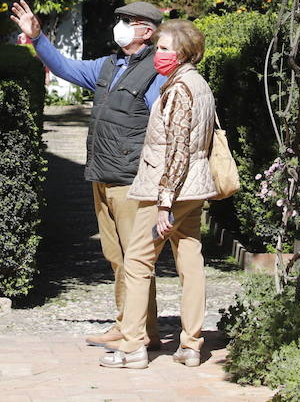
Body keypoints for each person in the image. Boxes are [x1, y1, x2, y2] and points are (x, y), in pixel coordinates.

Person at [9, 0, 165, 349]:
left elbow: (162, 127)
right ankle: (130, 322)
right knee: (116, 257)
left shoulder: (156, 71)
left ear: (147, 31)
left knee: (135, 258)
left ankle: (139, 330)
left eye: (130, 21)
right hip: (103, 173)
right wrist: (37, 39)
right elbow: (65, 67)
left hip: (132, 179)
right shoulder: (109, 66)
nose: (121, 25)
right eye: (120, 18)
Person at [98, 19, 217, 370]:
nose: (158, 55)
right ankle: (192, 345)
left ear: (181, 54)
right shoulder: (200, 85)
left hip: (167, 190)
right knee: (190, 262)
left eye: (164, 49)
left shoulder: (180, 89)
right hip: (194, 188)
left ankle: (134, 346)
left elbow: (178, 148)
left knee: (136, 262)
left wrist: (164, 202)